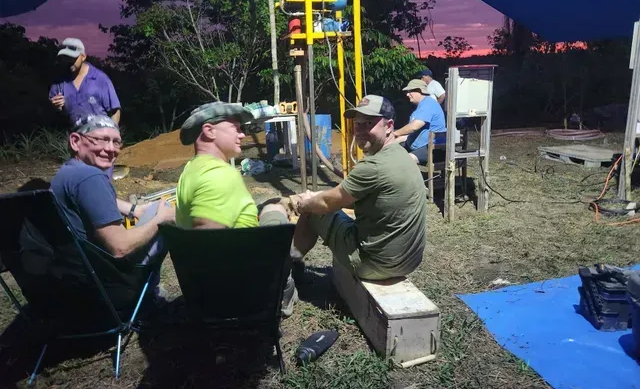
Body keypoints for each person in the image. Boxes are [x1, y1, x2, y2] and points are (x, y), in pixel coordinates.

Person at [175, 102, 298, 315]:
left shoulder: (191, 169)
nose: (242, 135)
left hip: (211, 289)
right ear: (209, 131)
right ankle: (284, 289)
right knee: (276, 210)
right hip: (241, 293)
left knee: (269, 206)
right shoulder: (219, 175)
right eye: (236, 128)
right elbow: (207, 246)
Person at [289, 95, 427, 281]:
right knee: (317, 202)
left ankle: (289, 266)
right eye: (358, 124)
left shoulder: (373, 167)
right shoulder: (402, 155)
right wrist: (318, 196)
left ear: (389, 126)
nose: (360, 130)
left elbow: (327, 203)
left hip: (374, 265)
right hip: (409, 261)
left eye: (369, 123)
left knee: (312, 209)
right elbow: (363, 199)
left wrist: (304, 204)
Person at [50, 115, 174, 265]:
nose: (110, 149)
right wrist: (161, 219)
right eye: (101, 139)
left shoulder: (67, 173)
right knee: (164, 210)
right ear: (75, 141)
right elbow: (120, 247)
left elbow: (93, 201)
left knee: (155, 207)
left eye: (116, 142)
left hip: (74, 266)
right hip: (106, 273)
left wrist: (134, 209)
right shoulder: (90, 177)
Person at [49, 38, 121, 126]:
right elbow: (51, 114)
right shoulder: (59, 82)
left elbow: (115, 110)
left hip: (100, 131)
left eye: (73, 58)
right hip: (73, 133)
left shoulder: (100, 79)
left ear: (83, 57)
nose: (69, 61)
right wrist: (56, 108)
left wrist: (112, 131)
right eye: (65, 57)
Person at [394, 79, 446, 164]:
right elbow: (411, 134)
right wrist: (392, 141)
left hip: (432, 149)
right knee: (391, 153)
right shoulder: (421, 106)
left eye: (410, 91)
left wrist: (395, 133)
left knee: (401, 161)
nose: (407, 94)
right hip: (419, 146)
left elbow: (414, 127)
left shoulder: (428, 104)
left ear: (420, 91)